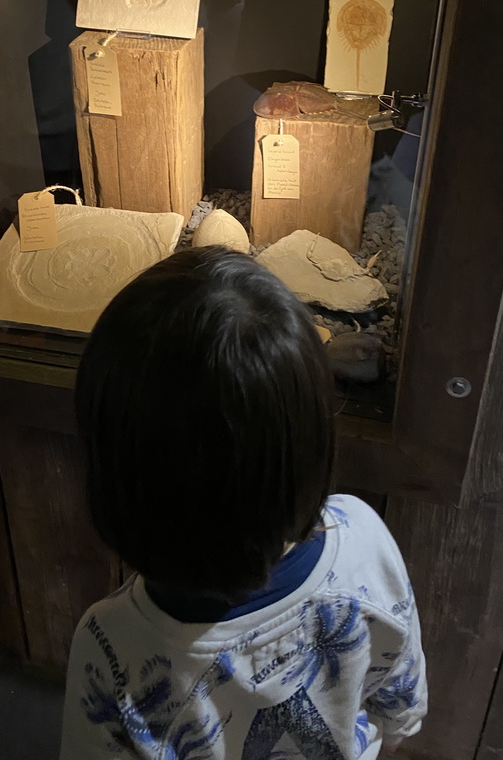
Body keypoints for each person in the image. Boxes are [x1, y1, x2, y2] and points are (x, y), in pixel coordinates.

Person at [61, 246, 427, 760]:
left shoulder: (111, 642)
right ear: (312, 441)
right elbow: (400, 704)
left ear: (114, 480)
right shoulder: (364, 540)